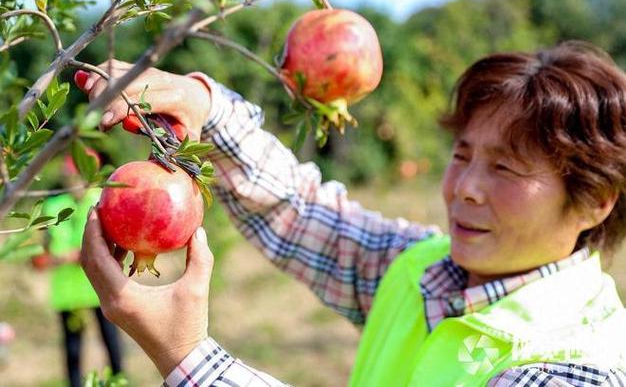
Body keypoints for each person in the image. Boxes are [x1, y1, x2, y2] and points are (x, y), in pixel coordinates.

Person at [80, 41, 626, 386]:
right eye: (461, 155)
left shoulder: (573, 367)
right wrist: (206, 107)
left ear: (594, 201)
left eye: (506, 170)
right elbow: (297, 209)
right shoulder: (423, 269)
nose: (466, 189)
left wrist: (187, 357)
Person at [33, 153, 123, 387]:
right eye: (69, 175)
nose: (71, 180)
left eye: (76, 175)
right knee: (72, 348)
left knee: (110, 340)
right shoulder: (54, 206)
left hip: (97, 289)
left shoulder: (102, 202)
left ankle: (119, 380)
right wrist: (50, 259)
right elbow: (39, 254)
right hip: (68, 292)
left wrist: (79, 255)